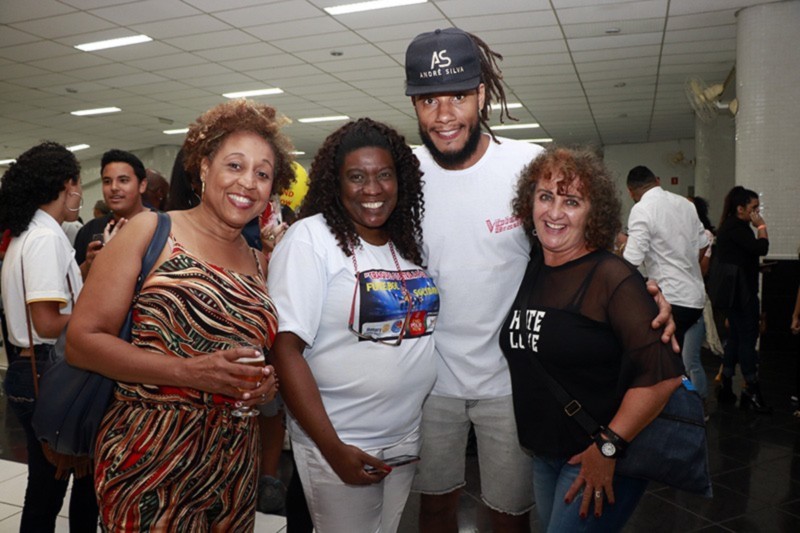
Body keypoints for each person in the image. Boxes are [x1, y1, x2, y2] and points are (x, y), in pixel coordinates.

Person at [403, 28, 677, 533]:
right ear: (414, 105)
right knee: (435, 505)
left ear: (481, 95)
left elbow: (577, 247)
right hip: (430, 379)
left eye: (458, 96)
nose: (443, 114)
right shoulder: (405, 173)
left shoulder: (524, 163)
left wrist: (638, 296)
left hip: (514, 380)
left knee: (509, 512)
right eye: (428, 100)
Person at [65, 99, 289, 530]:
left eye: (262, 174)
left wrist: (266, 385)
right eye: (235, 165)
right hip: (149, 457)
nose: (248, 182)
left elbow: (258, 353)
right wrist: (189, 372)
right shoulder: (152, 230)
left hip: (233, 466)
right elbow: (82, 341)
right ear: (204, 167)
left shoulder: (260, 261)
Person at [268, 118, 439, 532]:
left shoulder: (407, 241)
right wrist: (333, 449)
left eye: (384, 175)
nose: (372, 189)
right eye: (357, 177)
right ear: (336, 182)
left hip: (404, 434)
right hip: (342, 440)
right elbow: (284, 350)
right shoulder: (311, 240)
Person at [501, 146, 684, 532]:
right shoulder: (533, 268)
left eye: (571, 201)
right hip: (545, 454)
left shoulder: (611, 277)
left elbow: (665, 375)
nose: (554, 212)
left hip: (600, 453)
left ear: (593, 212)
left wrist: (608, 446)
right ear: (529, 203)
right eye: (545, 197)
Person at [0, 141, 99, 531]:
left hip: (36, 369)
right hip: (45, 370)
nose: (78, 193)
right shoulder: (44, 238)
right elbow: (45, 323)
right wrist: (99, 323)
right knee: (49, 488)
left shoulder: (33, 233)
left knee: (51, 485)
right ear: (66, 184)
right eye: (77, 183)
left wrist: (85, 270)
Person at [623, 165, 709, 349]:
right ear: (657, 181)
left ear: (630, 191)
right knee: (675, 355)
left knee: (657, 357)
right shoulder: (686, 204)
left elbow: (631, 261)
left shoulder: (642, 208)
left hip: (670, 298)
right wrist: (686, 264)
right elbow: (703, 244)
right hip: (694, 297)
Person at [713, 186, 770, 412]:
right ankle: (751, 390)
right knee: (747, 339)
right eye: (753, 208)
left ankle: (726, 385)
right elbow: (761, 248)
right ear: (740, 209)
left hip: (734, 294)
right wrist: (762, 226)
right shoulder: (738, 228)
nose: (756, 212)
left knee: (735, 339)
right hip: (743, 295)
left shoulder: (729, 227)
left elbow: (741, 258)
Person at [73, 149, 149, 279]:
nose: (113, 187)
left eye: (123, 180)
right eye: (107, 181)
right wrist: (89, 265)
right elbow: (74, 283)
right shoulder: (90, 230)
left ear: (142, 185)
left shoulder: (163, 226)